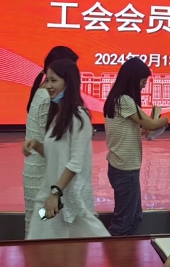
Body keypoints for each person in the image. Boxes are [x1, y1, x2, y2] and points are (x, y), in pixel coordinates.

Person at [23, 59, 109, 239]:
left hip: (67, 200)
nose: (48, 86)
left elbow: (75, 163)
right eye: (47, 80)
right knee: (39, 234)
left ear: (68, 82)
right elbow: (57, 157)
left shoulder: (79, 117)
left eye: (54, 80)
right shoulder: (59, 116)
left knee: (83, 241)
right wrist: (36, 145)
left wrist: (56, 193)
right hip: (52, 200)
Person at [104, 57, 169, 235]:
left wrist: (140, 131)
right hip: (125, 168)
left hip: (122, 166)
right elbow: (152, 124)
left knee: (134, 217)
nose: (143, 86)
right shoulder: (124, 100)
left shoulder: (117, 99)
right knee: (124, 222)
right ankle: (116, 251)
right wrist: (165, 119)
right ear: (132, 80)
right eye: (142, 82)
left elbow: (126, 129)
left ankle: (127, 249)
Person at [24, 46, 79, 237]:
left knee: (39, 227)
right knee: (45, 229)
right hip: (44, 173)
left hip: (40, 169)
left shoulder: (43, 92)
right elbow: (54, 146)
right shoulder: (48, 97)